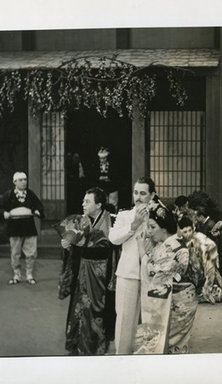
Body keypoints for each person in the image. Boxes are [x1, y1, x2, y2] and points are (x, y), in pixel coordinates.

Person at [135, 204, 198, 354]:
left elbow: (155, 273)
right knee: (168, 343)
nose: (149, 232)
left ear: (163, 228)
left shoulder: (175, 248)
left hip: (179, 302)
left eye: (152, 227)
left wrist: (142, 251)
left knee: (171, 343)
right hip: (173, 298)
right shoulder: (166, 244)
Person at [60, 187, 115, 355]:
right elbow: (76, 249)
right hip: (82, 273)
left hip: (100, 275)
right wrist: (68, 247)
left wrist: (83, 246)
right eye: (83, 201)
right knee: (79, 309)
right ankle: (77, 346)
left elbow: (111, 251)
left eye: (87, 201)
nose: (83, 204)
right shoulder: (81, 221)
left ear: (98, 205)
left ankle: (95, 347)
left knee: (97, 310)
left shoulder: (110, 221)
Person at [108, 176, 156, 354]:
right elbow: (113, 238)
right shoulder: (123, 215)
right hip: (128, 273)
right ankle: (122, 358)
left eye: (143, 193)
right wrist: (133, 225)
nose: (138, 197)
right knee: (124, 320)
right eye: (136, 192)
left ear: (152, 195)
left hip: (152, 274)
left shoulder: (158, 215)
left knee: (153, 319)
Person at [0, 171, 45, 285]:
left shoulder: (30, 195)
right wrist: (4, 213)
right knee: (15, 253)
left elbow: (39, 207)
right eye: (21, 180)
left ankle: (29, 275)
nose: (24, 182)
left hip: (29, 227)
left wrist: (37, 211)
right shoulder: (8, 195)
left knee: (31, 252)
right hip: (14, 228)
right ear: (14, 182)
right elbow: (1, 208)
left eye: (25, 179)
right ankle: (16, 274)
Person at [177, 216, 222, 304]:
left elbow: (211, 250)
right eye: (185, 232)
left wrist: (208, 285)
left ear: (193, 228)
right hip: (190, 274)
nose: (188, 234)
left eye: (190, 230)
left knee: (216, 295)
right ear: (180, 231)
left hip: (203, 272)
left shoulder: (199, 238)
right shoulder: (179, 240)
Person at [96, 147, 119, 212]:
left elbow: (113, 176)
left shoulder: (112, 165)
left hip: (112, 188)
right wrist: (106, 177)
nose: (102, 160)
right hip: (102, 188)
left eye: (104, 158)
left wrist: (103, 178)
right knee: (102, 204)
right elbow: (96, 176)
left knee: (113, 204)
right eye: (101, 158)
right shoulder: (97, 165)